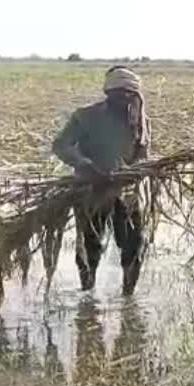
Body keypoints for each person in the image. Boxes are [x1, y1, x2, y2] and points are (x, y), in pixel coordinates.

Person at [52, 66, 151, 295]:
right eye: (120, 94)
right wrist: (84, 164)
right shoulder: (85, 116)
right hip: (91, 190)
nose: (125, 99)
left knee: (133, 245)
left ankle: (128, 298)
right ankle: (87, 294)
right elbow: (61, 145)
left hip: (127, 192)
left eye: (130, 94)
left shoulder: (141, 121)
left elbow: (144, 156)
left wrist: (134, 171)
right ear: (108, 93)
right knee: (90, 245)